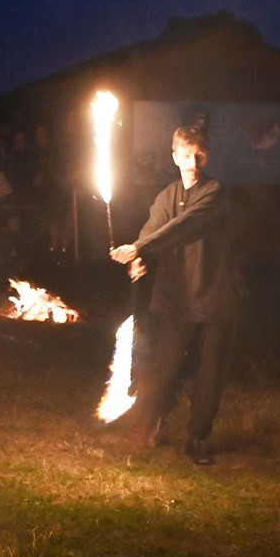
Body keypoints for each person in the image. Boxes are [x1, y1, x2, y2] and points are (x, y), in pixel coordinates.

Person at [110, 127, 235, 465]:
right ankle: (153, 421)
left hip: (212, 299)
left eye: (199, 155)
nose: (193, 162)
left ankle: (197, 438)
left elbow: (184, 226)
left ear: (206, 156)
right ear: (175, 156)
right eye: (186, 154)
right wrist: (139, 259)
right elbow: (154, 230)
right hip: (175, 299)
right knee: (165, 368)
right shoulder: (167, 196)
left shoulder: (216, 193)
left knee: (209, 374)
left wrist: (138, 247)